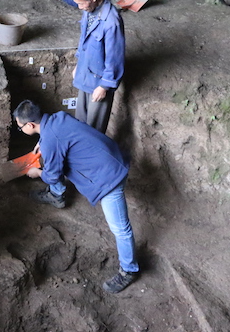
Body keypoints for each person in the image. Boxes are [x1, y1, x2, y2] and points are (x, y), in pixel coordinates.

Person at [13, 99, 140, 293]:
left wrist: (37, 173)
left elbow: (53, 175)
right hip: (113, 155)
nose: (20, 130)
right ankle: (57, 194)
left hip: (108, 176)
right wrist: (43, 142)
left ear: (30, 125)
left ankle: (129, 270)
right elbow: (55, 139)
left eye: (20, 127)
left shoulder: (50, 139)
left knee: (120, 228)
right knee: (54, 159)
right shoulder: (58, 118)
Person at [61, 0, 125, 133]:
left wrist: (105, 86)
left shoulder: (111, 22)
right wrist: (78, 64)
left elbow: (115, 58)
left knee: (94, 129)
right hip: (85, 74)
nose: (79, 7)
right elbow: (84, 40)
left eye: (81, 3)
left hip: (99, 82)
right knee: (81, 123)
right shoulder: (89, 9)